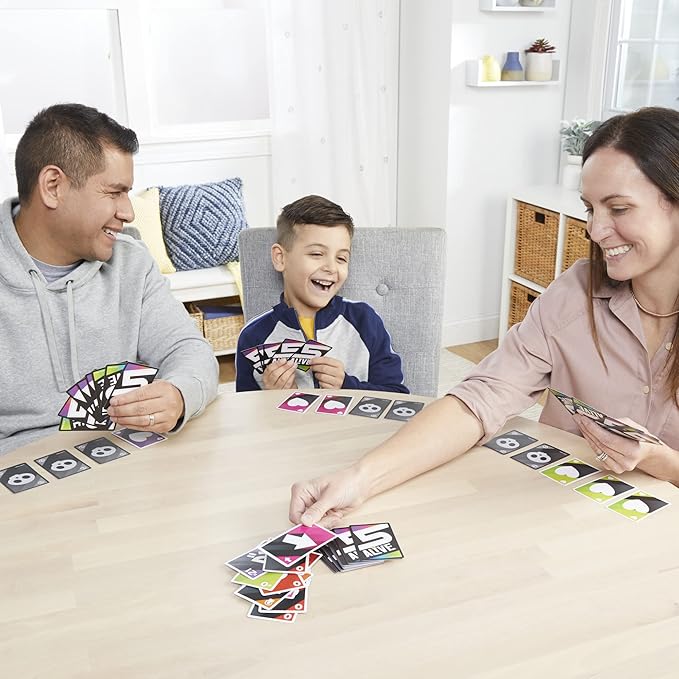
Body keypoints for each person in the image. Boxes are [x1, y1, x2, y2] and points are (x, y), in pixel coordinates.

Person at [289, 106, 679, 527]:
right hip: (564, 522)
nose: (595, 229)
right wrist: (359, 479)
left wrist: (662, 462)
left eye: (618, 209)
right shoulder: (574, 295)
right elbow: (480, 400)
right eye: (590, 208)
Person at [0, 103, 219, 455]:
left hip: (124, 460)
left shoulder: (131, 262)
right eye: (114, 192)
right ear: (53, 186)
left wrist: (179, 394)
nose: (128, 212)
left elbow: (190, 351)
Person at [235, 194, 408, 393]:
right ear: (280, 258)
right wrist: (272, 398)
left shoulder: (364, 321)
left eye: (341, 258)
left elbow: (399, 396)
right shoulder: (253, 336)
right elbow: (244, 409)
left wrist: (347, 385)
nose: (331, 268)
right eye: (316, 254)